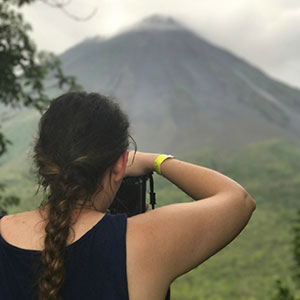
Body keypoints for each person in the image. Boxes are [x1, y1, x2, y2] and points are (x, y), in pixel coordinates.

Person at [0, 91, 256, 300]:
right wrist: (154, 161)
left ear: (41, 159)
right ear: (119, 166)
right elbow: (239, 199)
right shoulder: (141, 242)